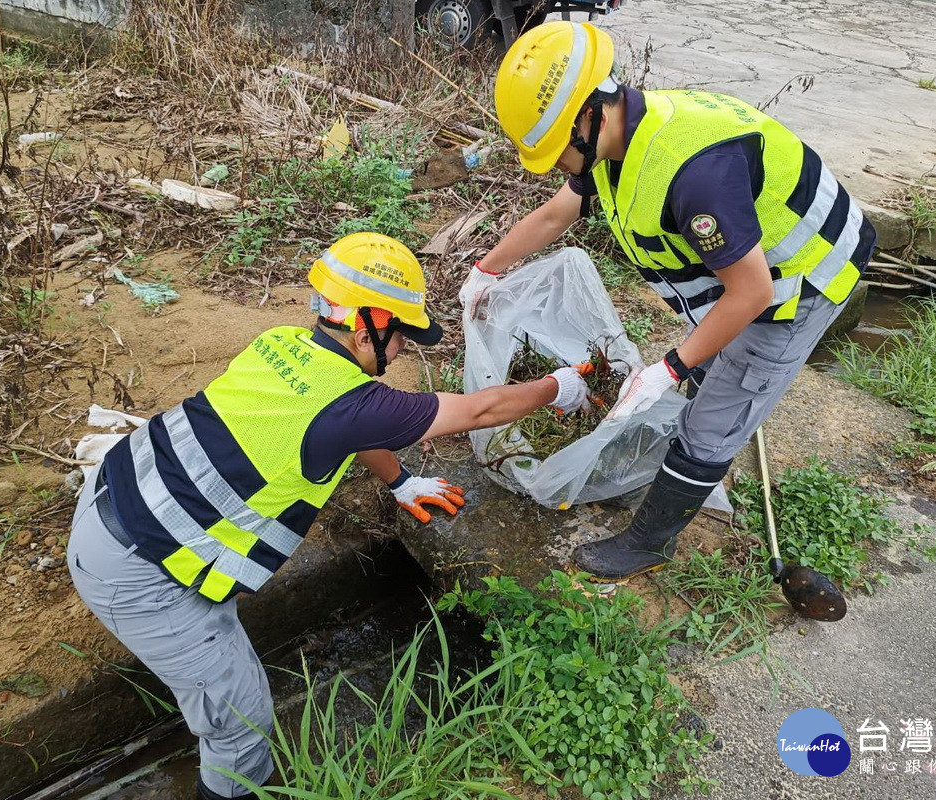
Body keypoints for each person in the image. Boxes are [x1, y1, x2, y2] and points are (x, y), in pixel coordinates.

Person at [66, 232, 590, 800]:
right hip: (139, 574)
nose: (403, 353)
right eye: (403, 339)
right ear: (367, 331)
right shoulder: (350, 403)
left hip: (114, 497)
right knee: (241, 724)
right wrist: (558, 387)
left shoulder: (283, 343)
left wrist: (402, 480)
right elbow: (481, 408)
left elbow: (344, 424)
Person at [462, 21, 876, 581]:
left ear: (588, 116)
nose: (553, 163)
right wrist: (485, 270)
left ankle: (649, 540)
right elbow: (557, 214)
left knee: (716, 412)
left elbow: (752, 291)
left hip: (802, 272)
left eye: (553, 148)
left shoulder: (691, 174)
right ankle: (708, 404)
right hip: (748, 262)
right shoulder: (615, 142)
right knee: (713, 367)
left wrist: (671, 366)